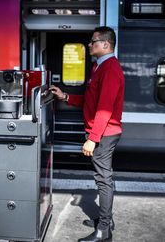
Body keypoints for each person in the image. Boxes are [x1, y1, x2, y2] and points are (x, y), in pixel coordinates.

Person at [49, 26, 125, 242]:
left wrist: (93, 138)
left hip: (105, 132)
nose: (89, 45)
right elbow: (90, 102)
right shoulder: (99, 67)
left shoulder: (110, 69)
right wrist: (65, 96)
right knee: (103, 178)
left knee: (103, 180)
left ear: (106, 45)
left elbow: (104, 109)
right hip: (103, 131)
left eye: (93, 41)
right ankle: (105, 220)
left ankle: (104, 231)